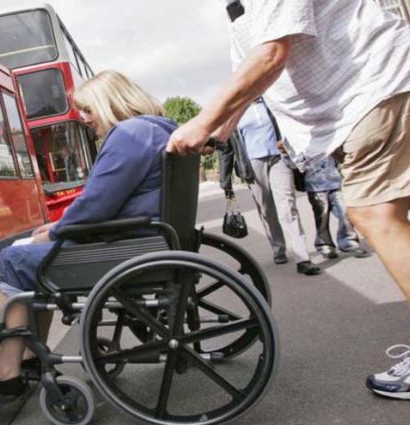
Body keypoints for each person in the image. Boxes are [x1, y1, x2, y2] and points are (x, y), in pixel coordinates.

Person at [166, 0, 410, 400]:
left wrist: (202, 121)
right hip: (375, 91)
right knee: (389, 214)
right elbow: (254, 73)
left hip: (374, 89)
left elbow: (271, 54)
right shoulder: (237, 12)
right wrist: (222, 128)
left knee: (376, 214)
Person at [0, 70, 175, 398]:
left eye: (88, 109)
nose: (84, 118)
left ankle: (5, 373)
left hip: (124, 250)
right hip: (147, 241)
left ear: (110, 102)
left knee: (12, 260)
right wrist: (56, 230)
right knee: (27, 254)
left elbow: (97, 204)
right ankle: (29, 355)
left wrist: (57, 230)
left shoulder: (129, 135)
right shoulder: (158, 129)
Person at [220, 98, 320, 275]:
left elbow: (291, 126)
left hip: (278, 158)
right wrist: (225, 180)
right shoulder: (233, 111)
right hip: (252, 163)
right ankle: (278, 247)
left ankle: (302, 257)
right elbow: (225, 147)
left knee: (288, 206)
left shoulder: (272, 103)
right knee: (266, 209)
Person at [303, 157, 368, 259]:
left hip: (336, 181)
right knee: (322, 217)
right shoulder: (300, 142)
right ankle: (324, 246)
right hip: (314, 184)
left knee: (345, 212)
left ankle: (349, 243)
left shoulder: (331, 140)